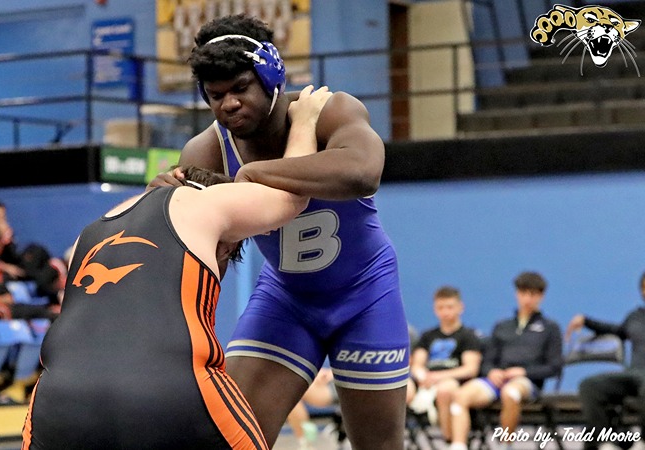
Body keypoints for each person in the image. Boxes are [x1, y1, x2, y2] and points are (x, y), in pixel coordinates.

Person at [148, 13, 408, 449]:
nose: (229, 104)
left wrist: (253, 175)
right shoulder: (207, 149)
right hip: (286, 300)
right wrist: (164, 210)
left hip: (364, 295)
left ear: (271, 78)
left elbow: (363, 172)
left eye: (240, 89)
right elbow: (210, 259)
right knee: (230, 441)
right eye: (215, 96)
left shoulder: (328, 111)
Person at [22, 85, 329, 449]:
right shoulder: (203, 204)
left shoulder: (88, 234)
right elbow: (289, 196)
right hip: (169, 388)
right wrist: (305, 120)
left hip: (55, 401)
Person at [447, 272, 562, 450]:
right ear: (517, 294)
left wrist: (523, 372)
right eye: (523, 293)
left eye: (533, 294)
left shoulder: (550, 328)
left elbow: (554, 367)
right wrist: (492, 372)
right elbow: (487, 361)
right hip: (495, 381)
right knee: (460, 396)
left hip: (526, 383)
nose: (527, 299)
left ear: (541, 296)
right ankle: (458, 445)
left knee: (511, 393)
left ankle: (505, 444)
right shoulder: (502, 327)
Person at [566, 272, 645, 450]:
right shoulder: (635, 317)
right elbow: (615, 330)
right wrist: (586, 321)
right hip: (633, 375)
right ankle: (605, 439)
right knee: (590, 386)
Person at [407, 286, 482, 442]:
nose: (445, 312)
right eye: (440, 308)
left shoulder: (468, 336)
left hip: (453, 381)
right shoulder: (428, 336)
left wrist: (438, 377)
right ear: (435, 309)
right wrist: (421, 376)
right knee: (402, 389)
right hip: (426, 380)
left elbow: (470, 369)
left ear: (460, 307)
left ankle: (449, 439)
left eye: (450, 307)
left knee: (445, 390)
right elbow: (417, 363)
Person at [285, 367, 338, 449]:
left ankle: (306, 444)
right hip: (333, 377)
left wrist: (333, 373)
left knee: (291, 391)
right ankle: (305, 443)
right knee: (289, 390)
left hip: (346, 380)